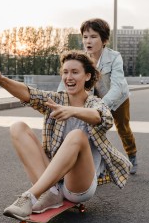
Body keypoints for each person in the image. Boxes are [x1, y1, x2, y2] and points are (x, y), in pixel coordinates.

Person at [0, 50, 132, 220]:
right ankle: (51, 193)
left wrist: (72, 111)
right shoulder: (57, 100)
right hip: (55, 182)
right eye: (65, 72)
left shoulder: (95, 103)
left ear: (87, 76)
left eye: (75, 72)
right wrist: (1, 81)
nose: (69, 77)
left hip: (78, 186)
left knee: (76, 135)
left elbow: (102, 117)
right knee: (17, 127)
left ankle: (30, 196)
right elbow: (30, 94)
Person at [58, 18, 138, 174]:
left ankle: (132, 155)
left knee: (123, 128)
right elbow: (66, 80)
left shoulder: (114, 57)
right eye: (85, 36)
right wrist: (58, 98)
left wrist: (100, 107)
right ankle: (96, 166)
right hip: (93, 102)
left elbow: (117, 86)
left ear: (104, 40)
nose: (88, 41)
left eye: (93, 36)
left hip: (118, 99)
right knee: (92, 131)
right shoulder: (81, 59)